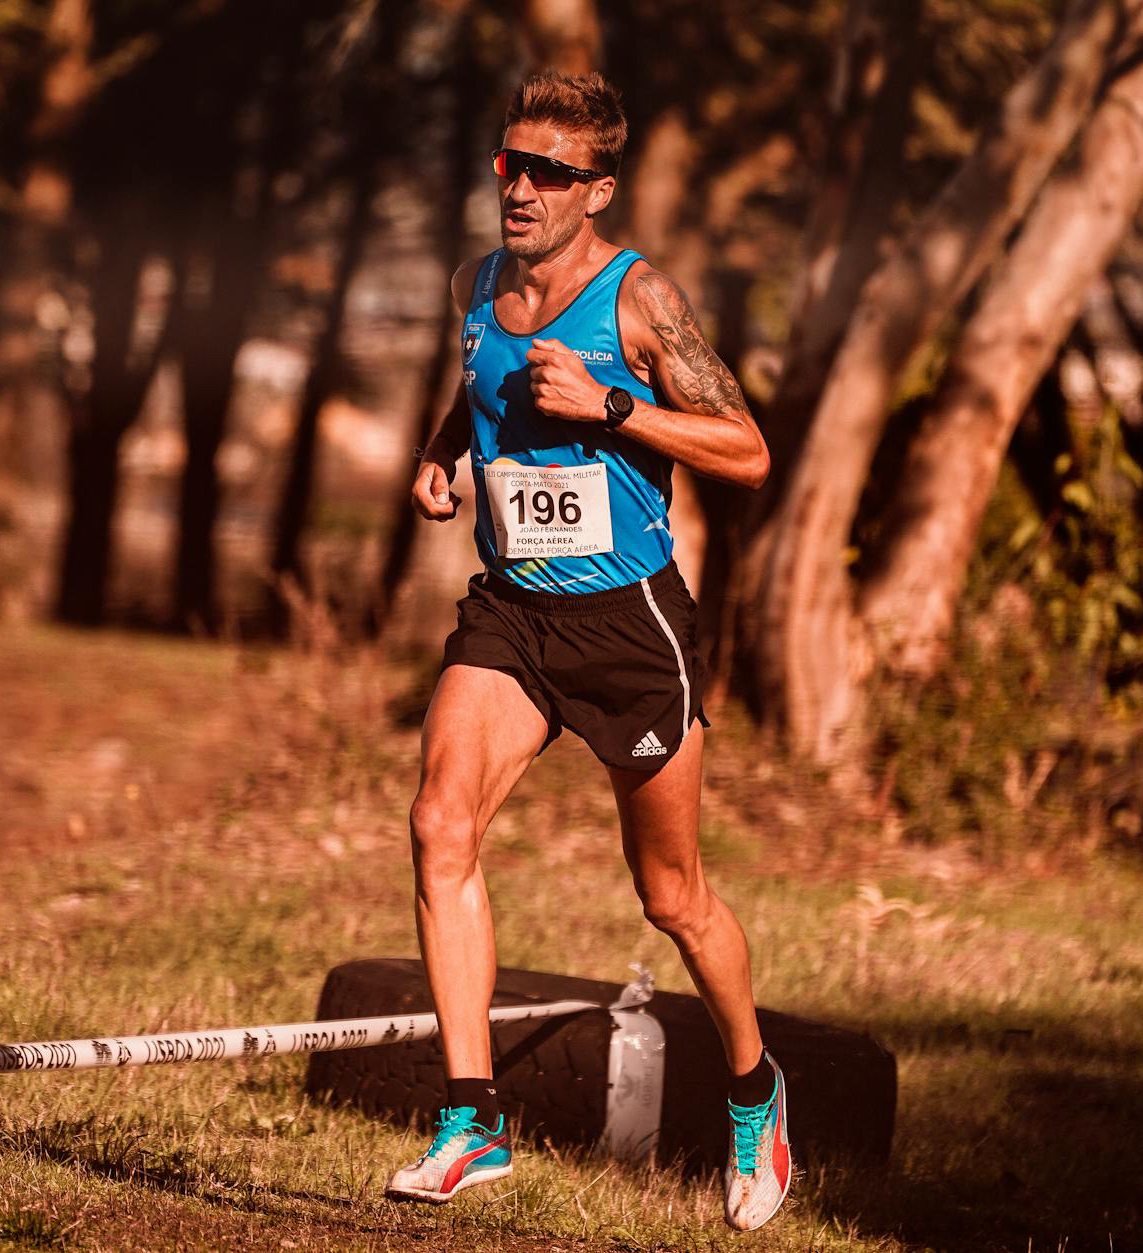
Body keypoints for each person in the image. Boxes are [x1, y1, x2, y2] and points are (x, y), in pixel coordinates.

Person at [381, 70, 786, 1232]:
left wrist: (612, 409)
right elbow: (480, 383)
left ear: (594, 190)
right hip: (512, 610)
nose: (518, 188)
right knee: (437, 822)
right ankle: (474, 1116)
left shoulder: (637, 301)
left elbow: (747, 450)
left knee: (671, 894)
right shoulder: (474, 283)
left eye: (548, 173)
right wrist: (444, 451)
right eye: (508, 163)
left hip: (628, 624)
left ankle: (755, 1088)